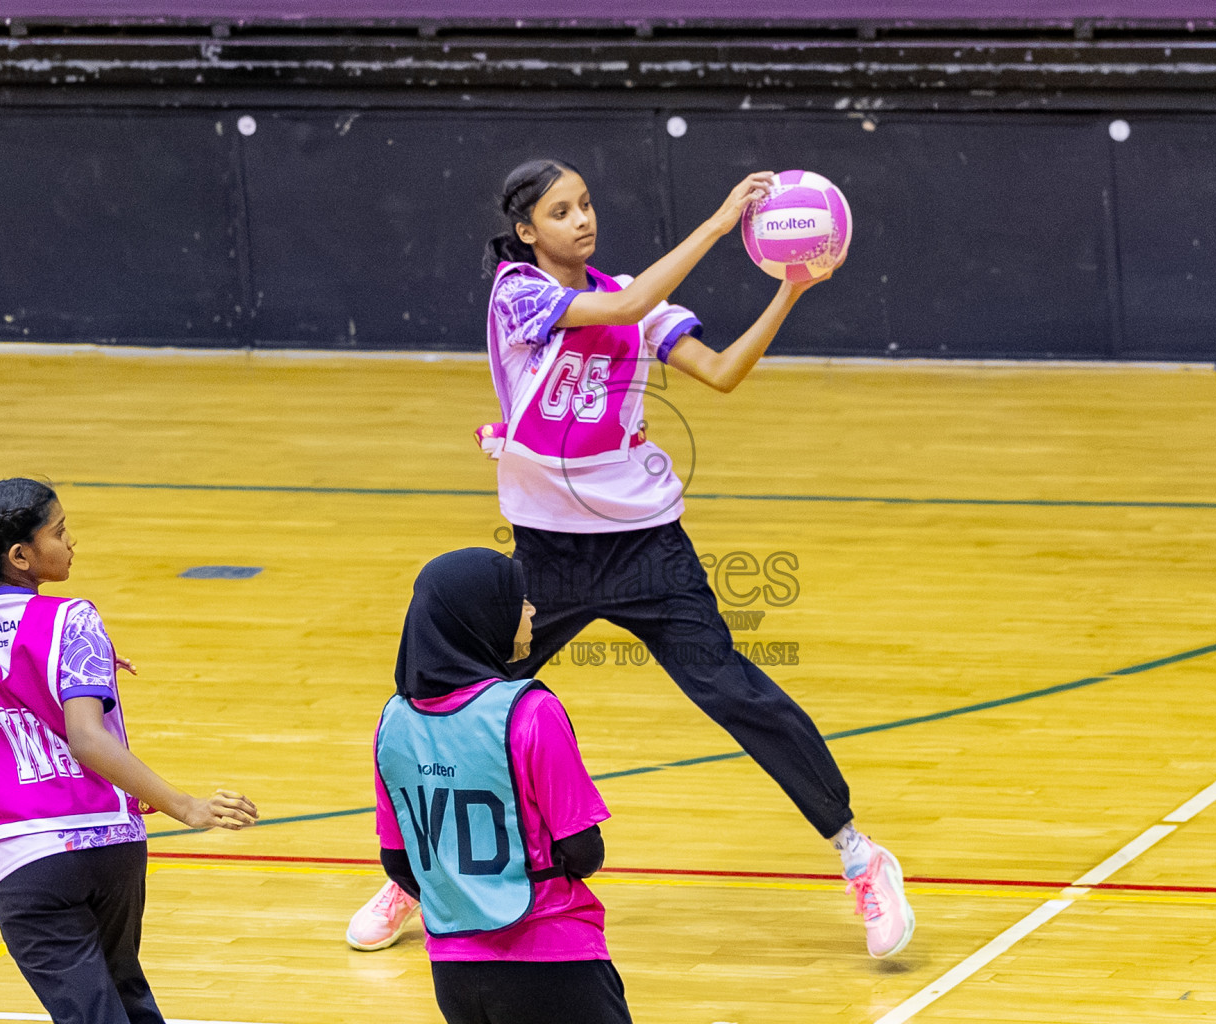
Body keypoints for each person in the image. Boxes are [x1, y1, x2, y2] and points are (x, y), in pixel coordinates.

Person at [350, 159, 911, 960]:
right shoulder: (520, 294)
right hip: (547, 555)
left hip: (647, 546)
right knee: (438, 694)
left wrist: (790, 289)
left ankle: (861, 854)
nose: (581, 219)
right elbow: (627, 302)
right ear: (526, 231)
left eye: (586, 205)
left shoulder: (634, 297)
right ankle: (413, 877)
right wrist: (720, 224)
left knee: (733, 690)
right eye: (561, 210)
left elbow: (719, 374)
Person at [0, 478, 259, 1024]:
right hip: (112, 847)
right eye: (59, 533)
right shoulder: (72, 619)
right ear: (20, 556)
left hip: (25, 860)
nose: (72, 541)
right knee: (127, 999)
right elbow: (84, 736)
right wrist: (184, 805)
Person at [370, 548, 627, 1024]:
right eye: (522, 600)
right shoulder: (530, 711)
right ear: (483, 617)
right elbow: (584, 852)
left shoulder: (393, 722)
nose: (532, 611)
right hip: (554, 958)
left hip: (454, 974)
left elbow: (397, 861)